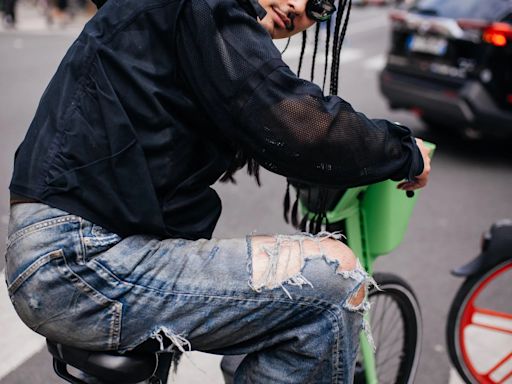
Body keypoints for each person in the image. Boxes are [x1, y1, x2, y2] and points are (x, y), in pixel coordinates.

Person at [4, 0, 431, 382]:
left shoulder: (193, 27)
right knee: (332, 284)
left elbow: (267, 129)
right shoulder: (208, 6)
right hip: (84, 260)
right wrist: (401, 150)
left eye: (318, 6)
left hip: (81, 252)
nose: (299, 7)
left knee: (270, 280)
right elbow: (297, 126)